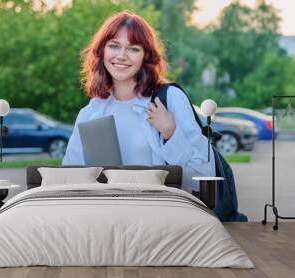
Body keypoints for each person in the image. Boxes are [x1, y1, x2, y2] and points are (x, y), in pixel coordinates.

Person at [62, 11, 215, 193]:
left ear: (146, 56)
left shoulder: (169, 99)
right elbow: (68, 182)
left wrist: (171, 134)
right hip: (109, 217)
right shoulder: (90, 113)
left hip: (161, 216)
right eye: (114, 46)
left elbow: (203, 178)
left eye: (133, 48)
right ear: (102, 51)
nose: (121, 56)